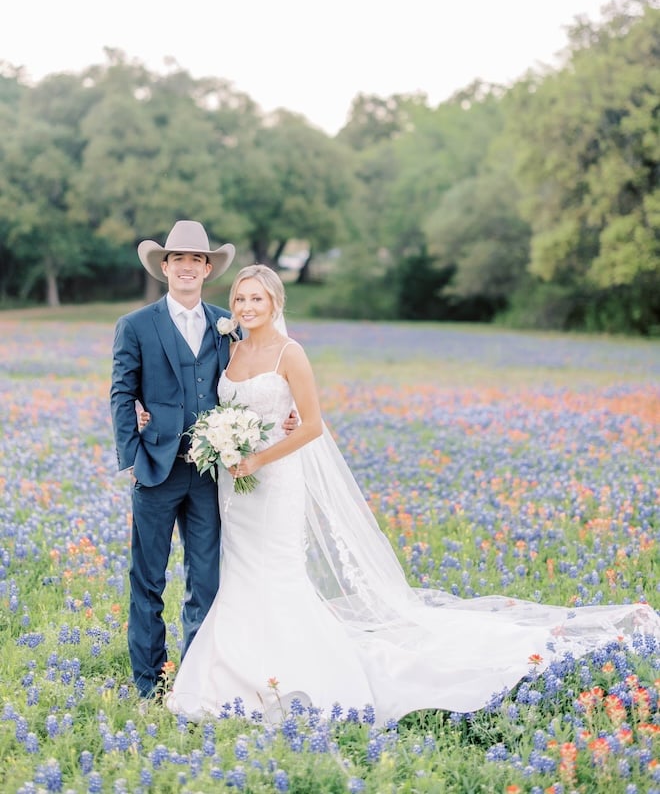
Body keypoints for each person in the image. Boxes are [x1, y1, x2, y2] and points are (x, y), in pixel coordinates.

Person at [162, 264, 660, 726]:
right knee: (241, 573)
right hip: (236, 485)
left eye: (257, 298)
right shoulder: (230, 349)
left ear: (275, 302)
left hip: (274, 481)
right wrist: (212, 440)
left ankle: (292, 676)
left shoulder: (292, 354)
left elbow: (311, 425)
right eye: (240, 299)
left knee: (279, 573)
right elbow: (210, 402)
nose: (247, 307)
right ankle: (236, 674)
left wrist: (259, 457)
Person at [110, 222, 296, 699]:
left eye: (197, 259)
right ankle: (149, 681)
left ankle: (196, 680)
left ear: (208, 268)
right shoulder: (135, 325)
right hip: (155, 468)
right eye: (178, 259)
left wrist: (285, 410)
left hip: (211, 473)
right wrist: (130, 454)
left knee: (206, 579)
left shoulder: (225, 325)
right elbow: (121, 393)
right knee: (147, 579)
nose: (188, 266)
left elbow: (250, 375)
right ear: (165, 267)